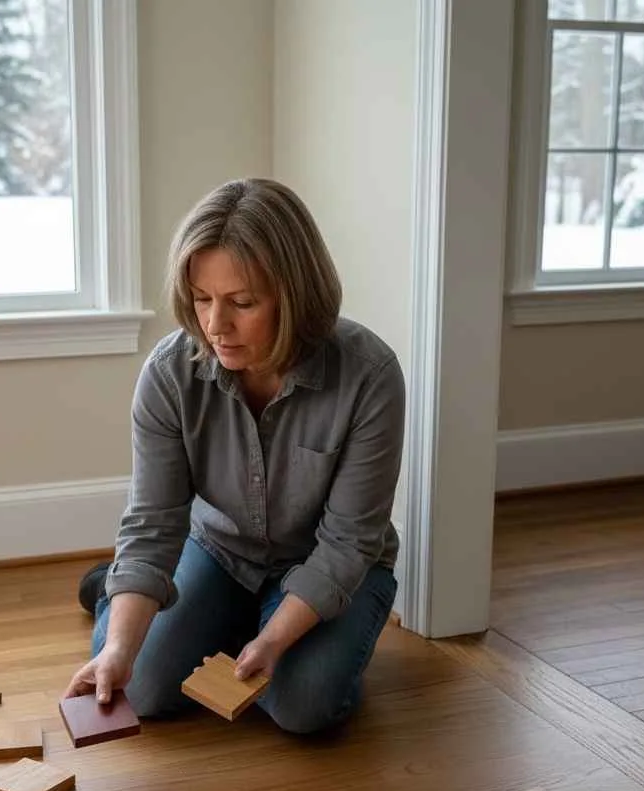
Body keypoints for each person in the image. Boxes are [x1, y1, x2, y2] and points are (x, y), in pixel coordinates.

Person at [64, 178, 405, 734]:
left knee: (305, 708)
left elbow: (349, 543)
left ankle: (254, 620)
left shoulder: (370, 375)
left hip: (330, 562)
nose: (215, 325)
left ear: (295, 295)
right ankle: (128, 593)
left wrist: (273, 640)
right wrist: (120, 649)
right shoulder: (170, 373)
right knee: (142, 688)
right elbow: (154, 521)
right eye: (202, 299)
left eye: (242, 302)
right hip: (220, 550)